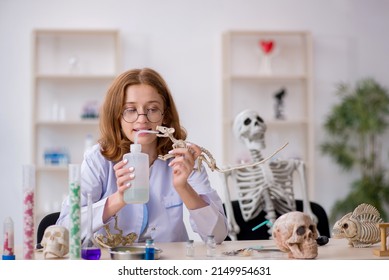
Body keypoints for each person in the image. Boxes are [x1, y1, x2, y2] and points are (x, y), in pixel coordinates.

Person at [57, 68, 228, 244]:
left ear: (165, 116)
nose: (142, 119)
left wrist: (184, 188)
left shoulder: (183, 158)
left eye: (152, 109)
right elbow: (64, 230)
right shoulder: (98, 160)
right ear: (117, 116)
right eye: (130, 110)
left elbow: (218, 235)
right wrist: (118, 199)